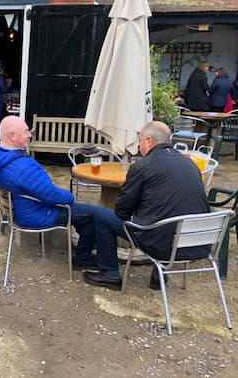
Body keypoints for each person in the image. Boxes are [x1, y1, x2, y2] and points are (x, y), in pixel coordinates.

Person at [83, 121, 211, 291]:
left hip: (160, 244)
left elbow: (122, 211)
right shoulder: (190, 164)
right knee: (167, 214)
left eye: (140, 141)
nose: (139, 146)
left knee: (101, 216)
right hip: (197, 242)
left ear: (149, 141)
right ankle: (158, 276)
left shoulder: (142, 166)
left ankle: (110, 273)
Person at [0, 116, 111, 270]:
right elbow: (50, 195)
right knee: (93, 214)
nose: (29, 135)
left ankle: (83, 247)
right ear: (12, 136)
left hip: (18, 209)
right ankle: (82, 259)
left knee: (82, 214)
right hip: (36, 214)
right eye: (25, 131)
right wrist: (70, 197)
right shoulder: (22, 167)